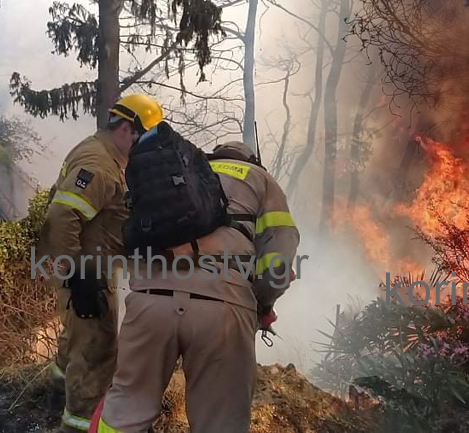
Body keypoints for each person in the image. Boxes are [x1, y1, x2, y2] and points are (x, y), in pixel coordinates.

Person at [94, 139, 300, 433]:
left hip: (150, 300)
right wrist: (262, 304)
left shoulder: (181, 170)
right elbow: (277, 265)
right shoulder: (262, 180)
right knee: (220, 422)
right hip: (222, 310)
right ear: (253, 160)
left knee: (126, 408)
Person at [36, 94, 164, 433]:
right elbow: (62, 215)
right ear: (125, 129)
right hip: (87, 272)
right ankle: (79, 423)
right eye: (143, 137)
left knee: (78, 342)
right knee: (97, 350)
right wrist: (78, 274)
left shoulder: (109, 158)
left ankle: (53, 397)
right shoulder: (98, 163)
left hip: (91, 269)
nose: (144, 146)